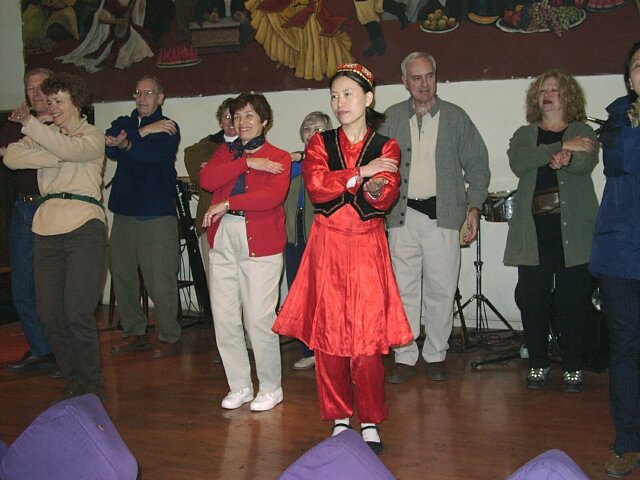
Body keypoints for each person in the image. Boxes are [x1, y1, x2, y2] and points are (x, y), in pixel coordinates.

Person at [273, 63, 413, 454]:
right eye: (335, 96)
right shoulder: (320, 143)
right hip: (328, 248)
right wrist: (362, 172)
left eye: (348, 94)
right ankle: (339, 417)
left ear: (368, 98)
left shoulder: (387, 145)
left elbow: (383, 197)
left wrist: (365, 183)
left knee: (367, 343)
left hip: (367, 248)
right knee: (329, 340)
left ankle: (369, 420)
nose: (340, 103)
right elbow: (317, 188)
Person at [380, 52, 490, 384]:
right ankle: (404, 354)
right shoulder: (390, 118)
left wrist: (474, 207)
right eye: (416, 78)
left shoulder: (456, 117)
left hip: (444, 217)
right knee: (403, 289)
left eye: (429, 76)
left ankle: (436, 353)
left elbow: (478, 166)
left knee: (442, 289)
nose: (424, 83)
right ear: (405, 81)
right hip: (402, 217)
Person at [4, 73, 107, 402]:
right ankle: (74, 377)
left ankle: (93, 382)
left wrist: (38, 133)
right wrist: (57, 151)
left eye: (59, 100)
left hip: (83, 226)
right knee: (49, 313)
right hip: (46, 228)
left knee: (77, 312)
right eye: (49, 102)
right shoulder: (47, 136)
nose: (52, 106)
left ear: (77, 103)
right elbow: (11, 157)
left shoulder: (92, 135)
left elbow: (72, 149)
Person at [504, 70, 598, 393]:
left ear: (567, 96)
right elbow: (519, 162)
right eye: (543, 89)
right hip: (534, 232)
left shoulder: (583, 131)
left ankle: (573, 367)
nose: (547, 94)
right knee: (532, 300)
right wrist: (558, 146)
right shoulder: (524, 134)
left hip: (573, 233)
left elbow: (585, 162)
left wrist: (568, 156)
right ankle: (538, 363)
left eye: (555, 90)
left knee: (573, 301)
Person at [200, 93, 290, 412]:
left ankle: (271, 387)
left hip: (260, 241)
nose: (242, 122)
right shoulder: (227, 153)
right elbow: (206, 179)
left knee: (258, 319)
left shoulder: (279, 156)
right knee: (225, 317)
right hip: (223, 236)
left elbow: (271, 197)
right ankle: (239, 385)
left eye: (249, 115)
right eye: (237, 116)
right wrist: (246, 163)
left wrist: (228, 203)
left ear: (264, 120)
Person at [590, 41, 640, 477]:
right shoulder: (618, 120)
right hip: (622, 252)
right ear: (629, 78)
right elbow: (623, 160)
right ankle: (628, 441)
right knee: (625, 345)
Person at [106, 75, 182, 359]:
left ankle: (169, 335)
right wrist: (144, 130)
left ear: (161, 97)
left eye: (148, 93)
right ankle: (134, 331)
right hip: (123, 213)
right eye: (138, 92)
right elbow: (109, 147)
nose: (142, 98)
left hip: (156, 214)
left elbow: (149, 155)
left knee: (160, 281)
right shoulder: (123, 122)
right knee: (122, 275)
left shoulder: (168, 126)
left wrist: (129, 143)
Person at [1, 68, 58, 374]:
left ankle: (61, 351)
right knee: (23, 286)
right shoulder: (15, 121)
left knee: (54, 286)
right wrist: (31, 131)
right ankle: (40, 349)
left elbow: (58, 154)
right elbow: (7, 153)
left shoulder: (64, 120)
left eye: (41, 88)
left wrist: (30, 139)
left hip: (54, 207)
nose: (35, 94)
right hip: (24, 208)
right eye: (29, 88)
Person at [285, 111, 332, 371]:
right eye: (307, 127)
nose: (312, 133)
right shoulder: (291, 163)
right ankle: (308, 350)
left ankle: (329, 349)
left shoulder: (333, 162)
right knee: (299, 296)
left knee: (325, 296)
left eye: (319, 129)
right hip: (294, 241)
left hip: (323, 240)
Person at [184, 97, 237, 277]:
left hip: (240, 222)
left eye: (235, 116)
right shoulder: (205, 147)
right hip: (211, 219)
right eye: (226, 117)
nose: (230, 121)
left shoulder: (251, 146)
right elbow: (198, 173)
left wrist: (219, 169)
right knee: (214, 278)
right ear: (220, 121)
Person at [245, 0, 353, 81]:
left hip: (308, 6)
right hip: (295, 5)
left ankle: (317, 65)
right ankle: (304, 61)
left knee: (313, 27)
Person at [57, 0, 153, 73]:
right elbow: (100, 17)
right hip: (112, 31)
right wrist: (116, 21)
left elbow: (138, 18)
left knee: (142, 48)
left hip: (127, 30)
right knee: (117, 55)